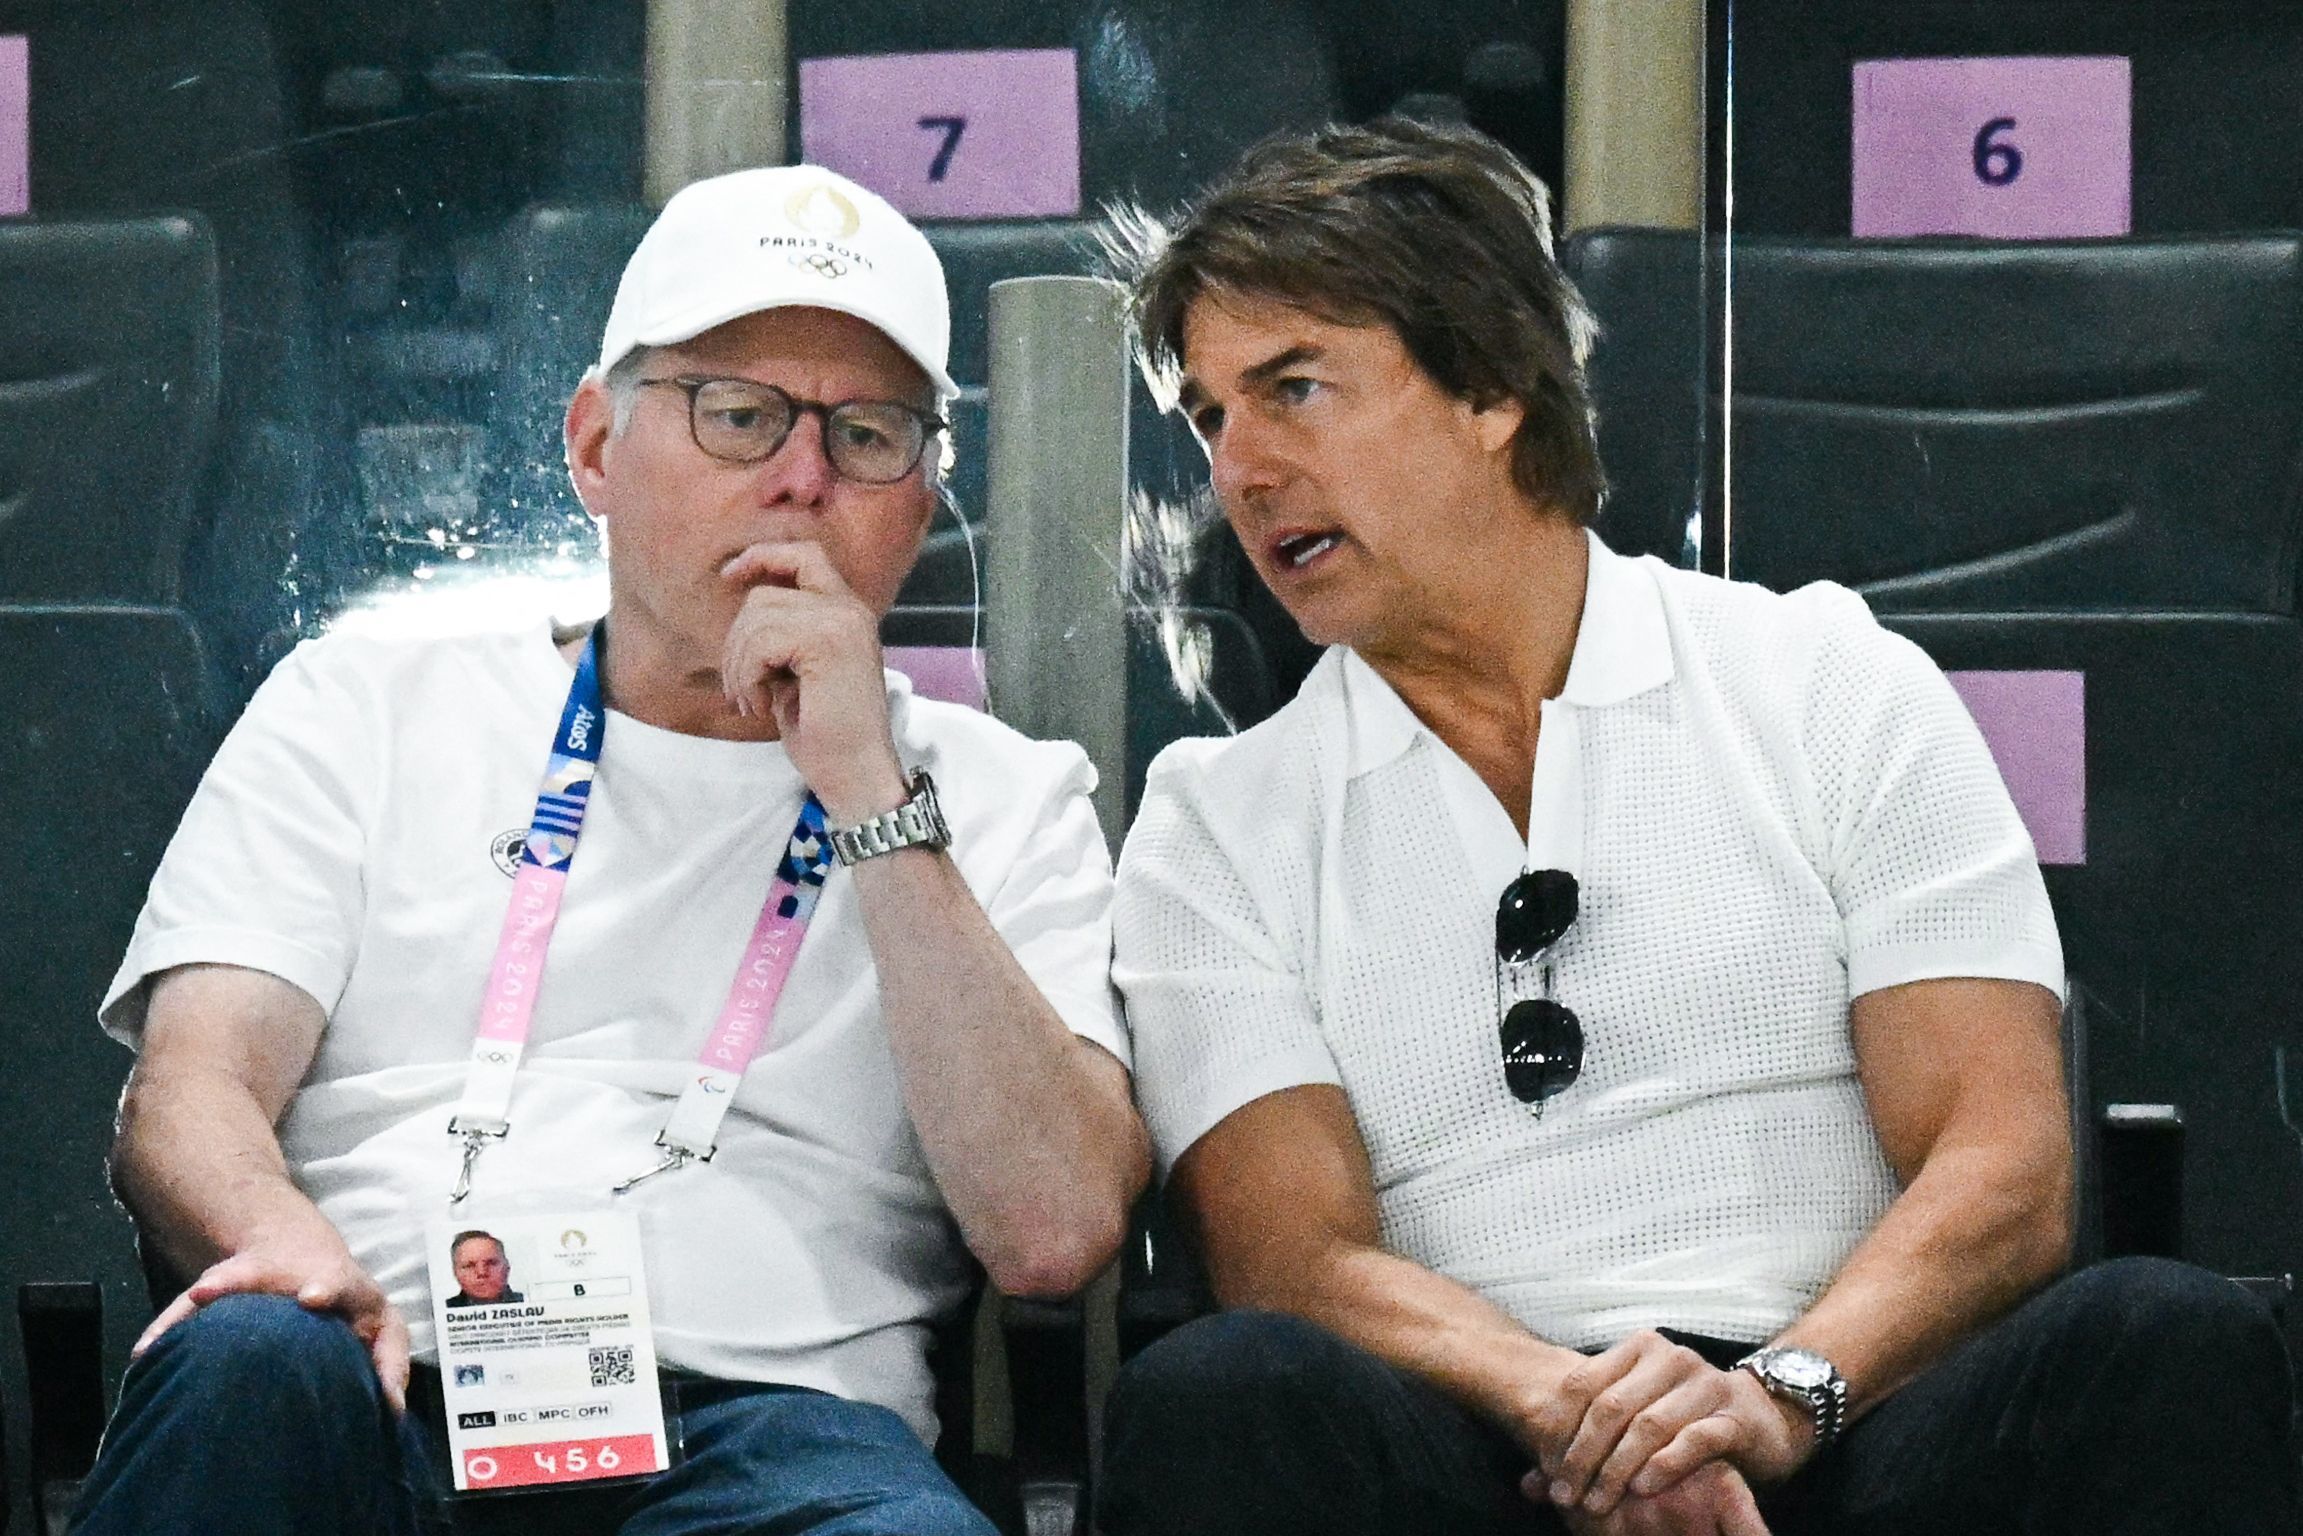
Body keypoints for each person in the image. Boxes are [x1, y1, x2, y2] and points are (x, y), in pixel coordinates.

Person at [1096, 117, 2296, 1536]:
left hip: (1841, 1416)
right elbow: (1288, 1256)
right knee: (1217, 1393)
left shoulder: (1822, 680)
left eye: (1293, 389)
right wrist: (1578, 1414)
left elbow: (2000, 1167)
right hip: (1478, 1445)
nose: (1239, 468)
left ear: (1487, 388)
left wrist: (1774, 1401)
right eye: (1211, 416)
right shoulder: (1213, 821)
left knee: (2161, 1337)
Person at [75, 163, 1148, 1536]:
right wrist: (280, 1243)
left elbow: (1051, 1229)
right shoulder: (367, 704)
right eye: (738, 414)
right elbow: (185, 1092)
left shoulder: (1000, 795)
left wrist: (866, 787)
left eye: (868, 436)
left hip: (774, 1437)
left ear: (924, 500)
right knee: (243, 1368)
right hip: (374, 1374)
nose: (801, 480)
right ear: (593, 447)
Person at [444, 1232, 521, 1308]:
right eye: (469, 1266)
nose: (482, 1272)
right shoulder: (440, 1312)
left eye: (491, 1263)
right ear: (455, 1272)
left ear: (507, 1266)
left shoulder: (528, 1302)